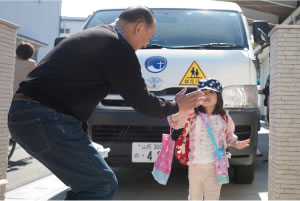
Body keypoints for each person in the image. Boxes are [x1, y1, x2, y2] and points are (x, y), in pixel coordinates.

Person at [7, 6, 204, 200]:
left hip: (31, 115)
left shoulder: (96, 36)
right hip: (45, 117)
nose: (145, 45)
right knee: (101, 183)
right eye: (149, 37)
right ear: (139, 27)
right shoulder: (116, 46)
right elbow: (141, 101)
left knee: (86, 186)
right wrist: (177, 106)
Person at [168, 78, 250, 200]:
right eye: (203, 92)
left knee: (212, 197)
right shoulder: (193, 115)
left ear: (219, 96)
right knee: (194, 197)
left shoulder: (224, 118)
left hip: (215, 167)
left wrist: (236, 143)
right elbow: (175, 123)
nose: (206, 95)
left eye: (211, 92)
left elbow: (229, 136)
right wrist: (176, 113)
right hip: (194, 166)